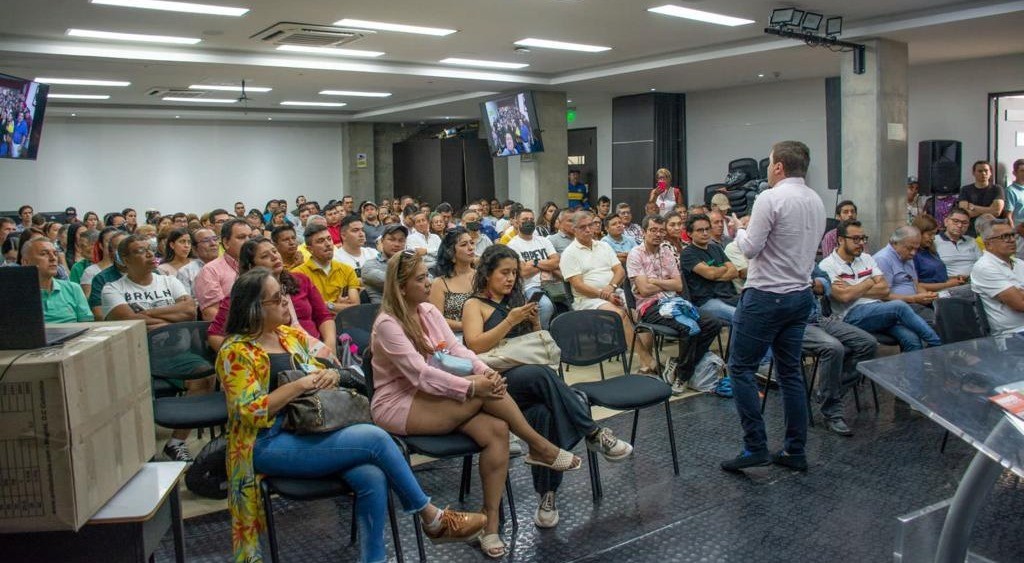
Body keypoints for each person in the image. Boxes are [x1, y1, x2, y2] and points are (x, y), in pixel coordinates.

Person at [217, 268, 486, 563]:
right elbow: (250, 411)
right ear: (256, 308)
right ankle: (432, 518)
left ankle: (374, 559)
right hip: (266, 441)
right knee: (374, 438)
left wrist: (330, 373)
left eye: (284, 294)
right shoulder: (236, 352)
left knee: (371, 476)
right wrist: (299, 385)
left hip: (312, 427)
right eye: (278, 298)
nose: (286, 302)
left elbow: (322, 365)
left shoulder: (288, 336)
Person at [370, 250, 582, 557]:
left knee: (496, 429)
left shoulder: (428, 311)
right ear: (401, 287)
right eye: (420, 278)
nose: (428, 282)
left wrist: (485, 372)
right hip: (400, 404)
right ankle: (539, 445)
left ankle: (490, 524)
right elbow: (420, 375)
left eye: (428, 275)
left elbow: (458, 349)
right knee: (486, 393)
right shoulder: (388, 324)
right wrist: (473, 387)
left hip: (435, 394)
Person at [462, 245, 632, 527]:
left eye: (514, 274)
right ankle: (592, 432)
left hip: (531, 387)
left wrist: (534, 323)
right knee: (540, 375)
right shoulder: (474, 304)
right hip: (498, 383)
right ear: (487, 274)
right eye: (504, 273)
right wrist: (509, 321)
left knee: (545, 414)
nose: (510, 279)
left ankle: (547, 495)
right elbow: (475, 345)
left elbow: (536, 346)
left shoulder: (515, 301)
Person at [720, 140, 825, 474]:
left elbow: (750, 249)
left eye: (769, 162)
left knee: (740, 368)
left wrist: (738, 230)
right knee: (790, 371)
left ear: (778, 166)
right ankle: (795, 450)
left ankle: (755, 447)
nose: (767, 167)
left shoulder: (771, 197)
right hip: (799, 294)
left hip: (766, 295)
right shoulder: (816, 199)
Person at [101, 234, 204, 461]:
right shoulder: (113, 289)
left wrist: (145, 314)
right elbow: (131, 321)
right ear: (124, 259)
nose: (149, 254)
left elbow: (189, 311)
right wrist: (171, 322)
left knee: (205, 377)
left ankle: (176, 442)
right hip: (137, 355)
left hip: (176, 353)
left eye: (150, 249)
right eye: (140, 251)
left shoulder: (168, 280)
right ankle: (139, 450)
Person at [626, 215, 722, 394]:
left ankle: (679, 365)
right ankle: (683, 376)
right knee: (689, 328)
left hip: (675, 302)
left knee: (713, 323)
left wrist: (654, 281)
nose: (658, 234)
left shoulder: (666, 251)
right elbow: (645, 291)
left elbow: (678, 285)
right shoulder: (635, 254)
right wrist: (663, 283)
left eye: (661, 230)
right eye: (653, 230)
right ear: (644, 232)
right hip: (650, 307)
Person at [818, 220, 942, 352]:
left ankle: (911, 372)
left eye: (863, 238)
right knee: (899, 306)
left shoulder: (866, 258)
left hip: (879, 310)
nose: (861, 243)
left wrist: (853, 287)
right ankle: (938, 346)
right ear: (841, 240)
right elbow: (844, 296)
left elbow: (884, 289)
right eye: (855, 239)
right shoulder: (827, 265)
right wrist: (871, 281)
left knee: (912, 339)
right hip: (850, 315)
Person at [560, 210, 656, 373]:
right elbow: (578, 286)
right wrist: (604, 294)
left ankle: (646, 359)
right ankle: (647, 361)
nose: (588, 230)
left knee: (644, 310)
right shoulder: (569, 253)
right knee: (619, 314)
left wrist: (610, 288)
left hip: (613, 291)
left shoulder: (603, 246)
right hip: (588, 300)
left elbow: (620, 271)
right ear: (574, 229)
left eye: (590, 225)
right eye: (583, 227)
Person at [208, 237, 333, 351]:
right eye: (265, 256)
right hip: (278, 358)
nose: (274, 257)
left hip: (317, 348)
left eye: (274, 251)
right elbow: (215, 336)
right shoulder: (242, 295)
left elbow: (323, 316)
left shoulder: (301, 280)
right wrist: (254, 358)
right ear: (251, 266)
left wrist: (329, 345)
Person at [804, 264, 878, 436]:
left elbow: (825, 282)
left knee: (868, 343)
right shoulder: (777, 253)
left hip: (819, 317)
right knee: (833, 348)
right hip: (795, 323)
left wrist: (815, 283)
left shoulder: (804, 251)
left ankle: (829, 391)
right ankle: (832, 412)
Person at [872, 226, 938, 323]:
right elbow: (882, 295)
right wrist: (913, 299)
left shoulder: (907, 257)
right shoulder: (883, 259)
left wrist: (927, 295)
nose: (913, 253)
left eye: (916, 249)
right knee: (937, 322)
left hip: (915, 303)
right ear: (895, 243)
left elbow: (915, 284)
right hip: (898, 307)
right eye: (910, 248)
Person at [506, 209, 559, 329]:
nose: (528, 222)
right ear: (517, 223)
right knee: (546, 306)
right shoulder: (513, 245)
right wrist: (545, 263)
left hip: (552, 283)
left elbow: (556, 263)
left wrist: (534, 262)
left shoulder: (544, 240)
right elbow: (523, 272)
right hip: (530, 287)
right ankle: (541, 335)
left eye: (531, 219)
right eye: (524, 220)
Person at [681, 214, 739, 323]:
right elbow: (710, 274)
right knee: (740, 316)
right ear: (689, 233)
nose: (705, 233)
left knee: (758, 310)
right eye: (700, 230)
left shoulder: (716, 248)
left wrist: (714, 272)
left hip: (729, 296)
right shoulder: (687, 253)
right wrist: (722, 268)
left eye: (707, 229)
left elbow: (734, 272)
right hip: (706, 302)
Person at [970, 218, 1024, 334]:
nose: (1012, 240)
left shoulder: (1020, 263)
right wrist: (1018, 294)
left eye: (1012, 235)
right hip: (1013, 334)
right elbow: (1020, 304)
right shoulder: (984, 267)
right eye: (1005, 237)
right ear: (988, 244)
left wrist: (1019, 292)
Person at [291, 223, 361, 313]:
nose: (328, 244)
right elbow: (308, 310)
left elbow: (355, 307)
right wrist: (336, 305)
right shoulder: (298, 274)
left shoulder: (347, 270)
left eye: (329, 239)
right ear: (309, 249)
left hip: (346, 322)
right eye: (320, 241)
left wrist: (328, 305)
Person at [21, 236, 92, 323]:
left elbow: (87, 325)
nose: (53, 258)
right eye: (44, 254)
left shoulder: (73, 289)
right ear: (26, 262)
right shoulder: (16, 294)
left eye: (55, 253)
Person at [195, 219, 252, 321]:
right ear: (226, 242)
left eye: (251, 237)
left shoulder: (258, 264)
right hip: (234, 332)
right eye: (241, 237)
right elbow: (212, 313)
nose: (248, 241)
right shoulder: (211, 270)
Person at [428, 227, 476, 335]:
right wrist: (469, 325)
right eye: (464, 245)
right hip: (454, 337)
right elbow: (437, 320)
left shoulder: (482, 276)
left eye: (472, 243)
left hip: (484, 333)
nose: (470, 248)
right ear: (451, 252)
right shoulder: (439, 283)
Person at [912, 214, 969, 291]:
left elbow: (937, 278)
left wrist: (954, 279)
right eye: (929, 234)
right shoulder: (913, 255)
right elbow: (916, 285)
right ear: (919, 233)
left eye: (934, 234)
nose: (933, 238)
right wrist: (948, 285)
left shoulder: (931, 251)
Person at [86, 230, 129, 320]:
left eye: (126, 248)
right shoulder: (101, 279)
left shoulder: (153, 273)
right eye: (118, 248)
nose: (123, 252)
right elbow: (98, 314)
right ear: (110, 254)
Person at [363, 224, 408, 304]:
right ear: (382, 241)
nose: (397, 244)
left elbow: (428, 280)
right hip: (384, 312)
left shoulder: (409, 262)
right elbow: (395, 283)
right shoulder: (370, 265)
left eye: (401, 240)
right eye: (391, 239)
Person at [958, 160, 1005, 237]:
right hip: (970, 232)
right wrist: (989, 209)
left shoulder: (997, 189)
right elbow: (964, 212)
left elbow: (996, 212)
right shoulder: (965, 189)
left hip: (992, 232)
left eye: (986, 171)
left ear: (990, 173)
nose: (983, 173)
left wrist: (973, 207)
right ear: (974, 173)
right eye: (980, 171)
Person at [933, 208, 981, 278]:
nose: (960, 225)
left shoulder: (972, 241)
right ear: (946, 222)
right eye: (955, 221)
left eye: (964, 223)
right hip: (949, 283)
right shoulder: (934, 241)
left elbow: (981, 263)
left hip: (975, 281)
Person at [176, 228, 220, 298]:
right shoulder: (186, 272)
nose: (213, 244)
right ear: (194, 248)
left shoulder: (229, 266)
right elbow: (187, 303)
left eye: (215, 239)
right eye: (206, 240)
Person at [1003, 159, 1024, 258]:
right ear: (1014, 173)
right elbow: (1009, 216)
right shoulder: (1011, 191)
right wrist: (1014, 233)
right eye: (1022, 170)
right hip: (1019, 232)